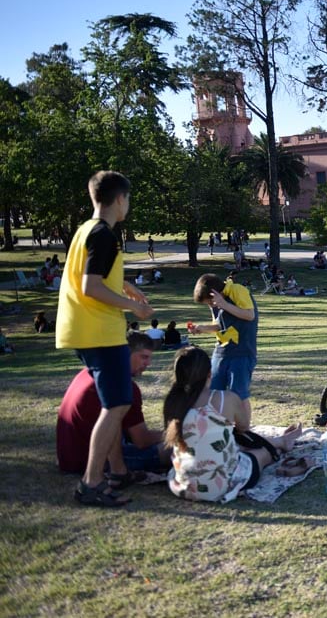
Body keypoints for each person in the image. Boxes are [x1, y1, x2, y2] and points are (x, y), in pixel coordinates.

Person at [56, 171, 154, 507]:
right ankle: (91, 483)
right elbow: (91, 286)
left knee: (111, 404)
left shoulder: (86, 230)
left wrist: (129, 288)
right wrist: (134, 308)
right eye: (128, 199)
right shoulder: (104, 235)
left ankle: (118, 470)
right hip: (100, 331)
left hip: (82, 330)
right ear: (119, 199)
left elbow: (95, 275)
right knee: (118, 404)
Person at [164, 347, 301, 502]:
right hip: (221, 485)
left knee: (231, 444)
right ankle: (281, 442)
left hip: (185, 485)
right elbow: (244, 428)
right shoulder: (225, 399)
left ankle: (281, 441)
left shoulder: (172, 402)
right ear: (209, 374)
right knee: (260, 453)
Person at [57, 331, 169, 478]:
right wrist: (175, 433)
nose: (148, 364)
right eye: (144, 357)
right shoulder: (123, 386)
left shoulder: (90, 372)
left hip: (67, 458)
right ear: (125, 354)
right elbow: (141, 440)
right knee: (173, 450)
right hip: (91, 461)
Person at [188, 273, 259, 431]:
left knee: (238, 394)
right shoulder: (216, 304)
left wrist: (223, 304)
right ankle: (218, 429)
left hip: (242, 352)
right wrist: (202, 328)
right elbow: (220, 325)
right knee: (213, 392)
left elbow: (249, 315)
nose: (211, 306)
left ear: (215, 293)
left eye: (210, 302)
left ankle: (244, 431)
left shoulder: (236, 290)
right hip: (221, 352)